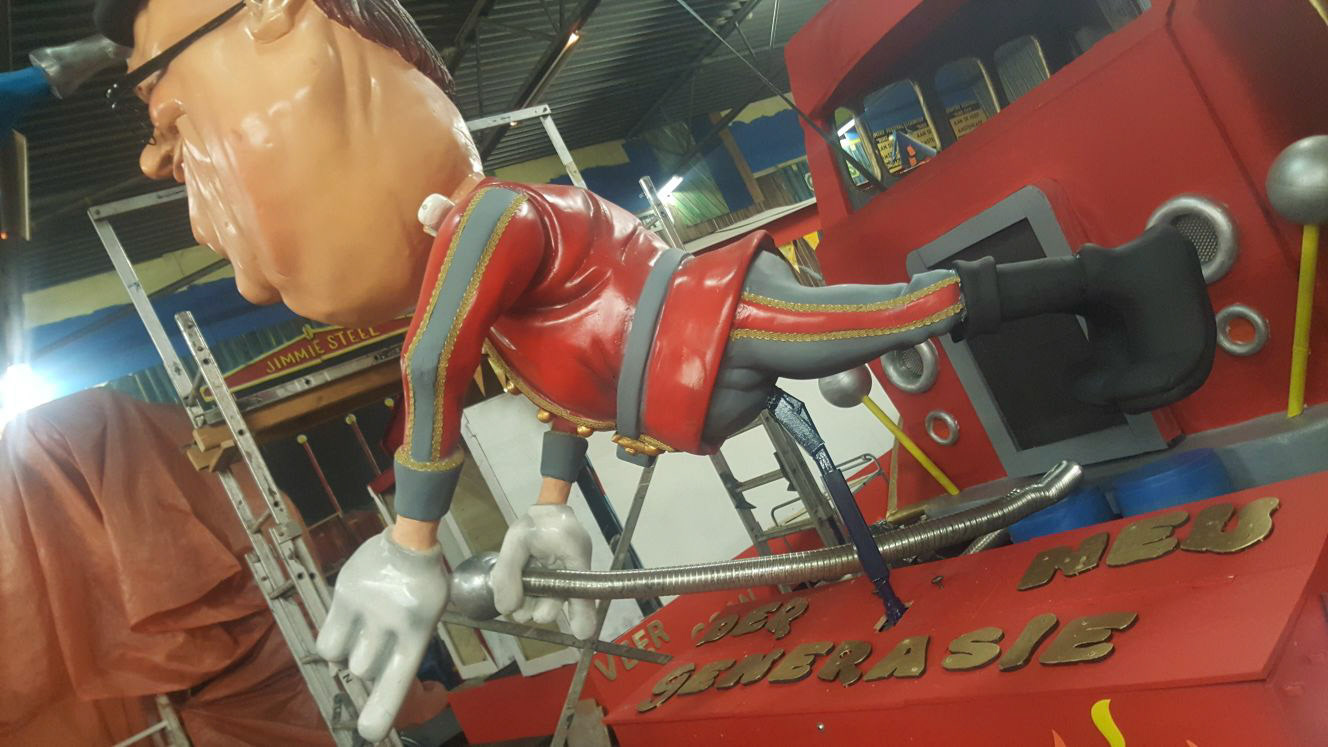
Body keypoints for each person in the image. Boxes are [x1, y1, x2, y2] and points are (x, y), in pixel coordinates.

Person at [94, 0, 1214, 740]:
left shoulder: (491, 218)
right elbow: (553, 386)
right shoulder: (482, 256)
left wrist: (412, 539)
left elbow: (432, 361)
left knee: (895, 314)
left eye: (178, 126)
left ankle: (1125, 277)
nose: (174, 172)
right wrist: (547, 509)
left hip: (708, 323)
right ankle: (1113, 283)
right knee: (889, 317)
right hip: (672, 373)